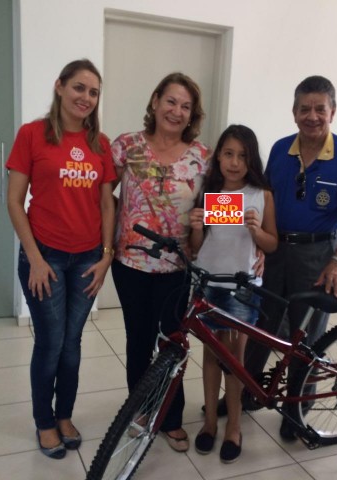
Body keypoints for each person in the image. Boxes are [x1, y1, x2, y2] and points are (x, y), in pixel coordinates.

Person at [215, 75, 337, 441]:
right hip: (276, 250)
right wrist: (255, 245)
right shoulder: (281, 150)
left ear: (333, 112)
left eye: (320, 109)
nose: (312, 116)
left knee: (306, 338)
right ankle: (245, 393)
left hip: (318, 255)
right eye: (304, 109)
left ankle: (296, 409)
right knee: (259, 326)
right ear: (294, 112)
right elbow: (261, 199)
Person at [6, 59, 116, 459]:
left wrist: (107, 256)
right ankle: (44, 421)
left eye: (93, 92)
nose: (86, 97)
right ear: (60, 86)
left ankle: (64, 414)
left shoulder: (100, 144)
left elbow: (107, 204)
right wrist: (35, 259)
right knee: (51, 342)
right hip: (45, 257)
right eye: (79, 88)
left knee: (72, 343)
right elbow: (14, 201)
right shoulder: (32, 134)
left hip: (87, 259)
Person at [110, 72, 209, 453]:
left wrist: (255, 236)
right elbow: (101, 198)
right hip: (130, 265)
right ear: (155, 102)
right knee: (138, 339)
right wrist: (109, 240)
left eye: (185, 106)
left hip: (177, 269)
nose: (176, 111)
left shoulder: (202, 157)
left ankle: (170, 416)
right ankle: (139, 410)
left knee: (173, 343)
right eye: (171, 101)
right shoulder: (126, 146)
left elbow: (220, 208)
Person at [189, 125, 277, 463]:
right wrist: (196, 227)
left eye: (242, 155)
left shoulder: (261, 194)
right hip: (209, 284)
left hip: (243, 288)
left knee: (235, 361)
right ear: (219, 157)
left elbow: (273, 242)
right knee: (212, 354)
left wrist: (257, 232)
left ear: (252, 160)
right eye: (228, 154)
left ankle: (235, 427)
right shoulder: (208, 190)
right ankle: (210, 421)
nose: (235, 162)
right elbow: (197, 247)